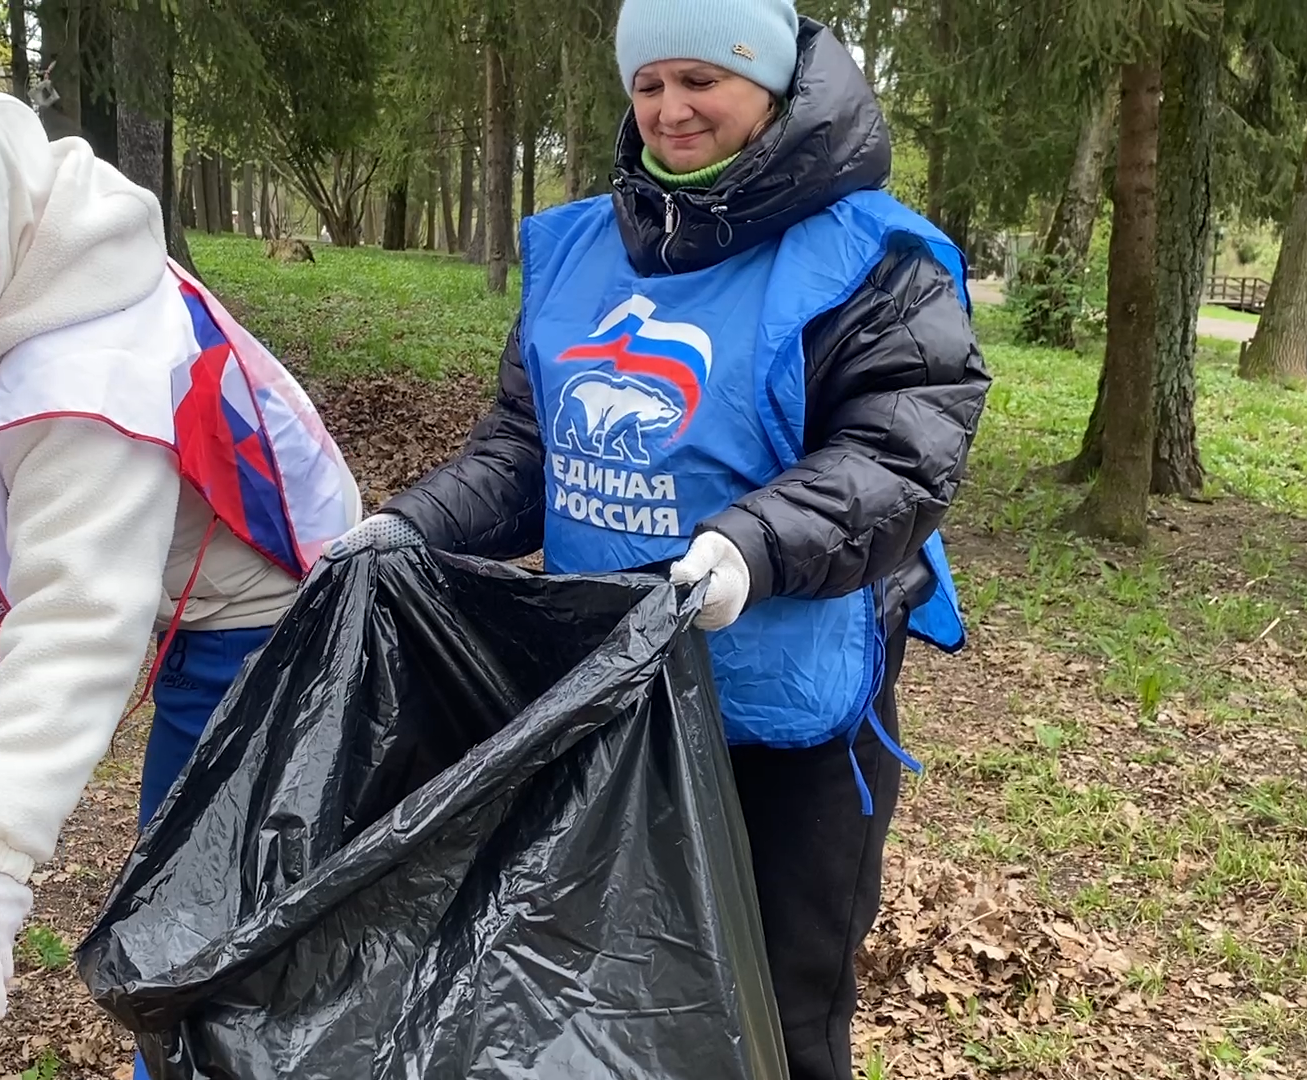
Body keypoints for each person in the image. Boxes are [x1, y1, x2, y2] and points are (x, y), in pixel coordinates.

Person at [334, 2, 990, 1076]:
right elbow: (524, 453)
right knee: (605, 996)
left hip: (787, 723)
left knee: (780, 1010)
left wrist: (752, 544)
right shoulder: (577, 249)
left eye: (702, 81)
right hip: (610, 702)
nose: (670, 110)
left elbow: (901, 455)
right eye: (649, 85)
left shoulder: (872, 257)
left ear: (769, 87)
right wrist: (410, 524)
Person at [0, 76, 361, 1031]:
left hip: (268, 626)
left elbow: (77, 621)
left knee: (197, 919)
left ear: (7, 209)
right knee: (197, 912)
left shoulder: (86, 375)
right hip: (179, 604)